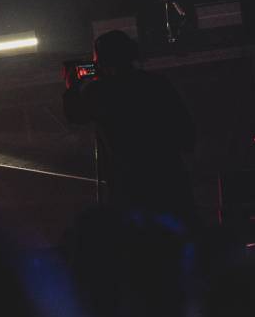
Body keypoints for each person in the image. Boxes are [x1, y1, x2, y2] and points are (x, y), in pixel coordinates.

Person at [63, 30, 195, 222]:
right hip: (168, 176)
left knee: (136, 240)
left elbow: (75, 116)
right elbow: (186, 129)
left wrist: (71, 88)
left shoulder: (100, 91)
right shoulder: (156, 83)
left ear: (102, 60)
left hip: (127, 183)